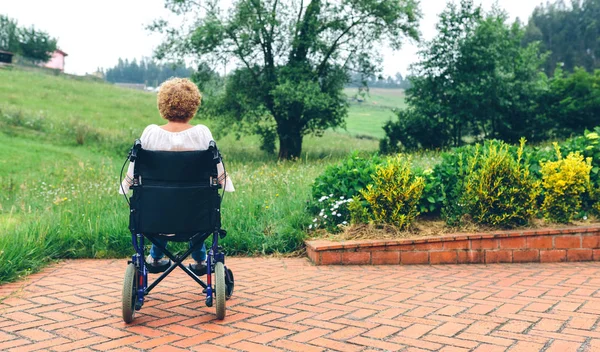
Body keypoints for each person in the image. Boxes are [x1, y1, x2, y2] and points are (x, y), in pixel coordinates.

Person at [119, 77, 234, 275]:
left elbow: (133, 172)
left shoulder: (150, 133)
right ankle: (200, 261)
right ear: (194, 105)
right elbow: (219, 173)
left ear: (163, 104)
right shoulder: (202, 133)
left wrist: (125, 185)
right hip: (195, 213)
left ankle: (155, 257)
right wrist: (225, 184)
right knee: (191, 209)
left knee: (163, 205)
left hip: (156, 213)